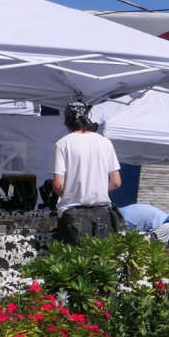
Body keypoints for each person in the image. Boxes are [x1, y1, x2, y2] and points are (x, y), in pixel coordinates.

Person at [51, 101, 123, 244]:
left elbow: (58, 185)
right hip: (103, 214)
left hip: (73, 214)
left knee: (76, 263)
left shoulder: (63, 144)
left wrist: (74, 192)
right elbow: (116, 182)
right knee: (101, 263)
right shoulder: (105, 142)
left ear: (67, 121)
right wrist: (98, 190)